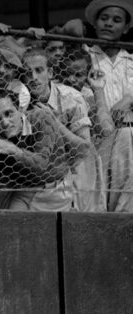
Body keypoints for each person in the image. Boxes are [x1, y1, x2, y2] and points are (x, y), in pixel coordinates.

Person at [22, 47, 100, 212]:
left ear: (50, 72)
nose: (33, 78)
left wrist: (53, 122)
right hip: (38, 183)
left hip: (77, 174)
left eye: (39, 70)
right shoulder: (19, 102)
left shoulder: (71, 98)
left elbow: (83, 149)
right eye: (28, 73)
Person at [0, 93, 73, 211]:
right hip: (25, 188)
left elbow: (42, 164)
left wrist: (14, 150)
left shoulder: (41, 119)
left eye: (9, 114)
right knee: (13, 223)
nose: (5, 123)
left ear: (20, 109)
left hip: (54, 190)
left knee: (49, 227)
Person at [84, 0, 133, 211]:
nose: (109, 24)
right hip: (96, 133)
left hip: (127, 135)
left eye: (116, 20)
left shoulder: (130, 60)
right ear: (94, 22)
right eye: (104, 19)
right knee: (99, 190)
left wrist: (130, 97)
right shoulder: (86, 55)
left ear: (127, 27)